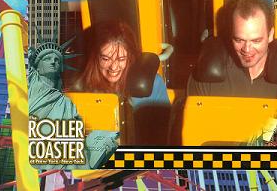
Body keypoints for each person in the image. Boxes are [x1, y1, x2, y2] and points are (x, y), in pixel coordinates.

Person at [73, 21, 171, 145]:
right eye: (106, 59)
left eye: (121, 59)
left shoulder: (152, 84)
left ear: (130, 57)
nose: (114, 67)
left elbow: (164, 136)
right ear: (96, 57)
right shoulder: (80, 86)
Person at [28, 37, 118, 169]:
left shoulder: (65, 102)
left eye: (57, 60)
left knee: (105, 139)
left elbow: (77, 132)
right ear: (38, 66)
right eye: (47, 59)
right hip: (41, 146)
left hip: (61, 149)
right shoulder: (33, 83)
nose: (53, 62)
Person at [187, 0, 277, 101]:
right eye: (239, 40)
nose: (247, 49)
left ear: (270, 35)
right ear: (231, 34)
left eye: (256, 40)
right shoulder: (206, 76)